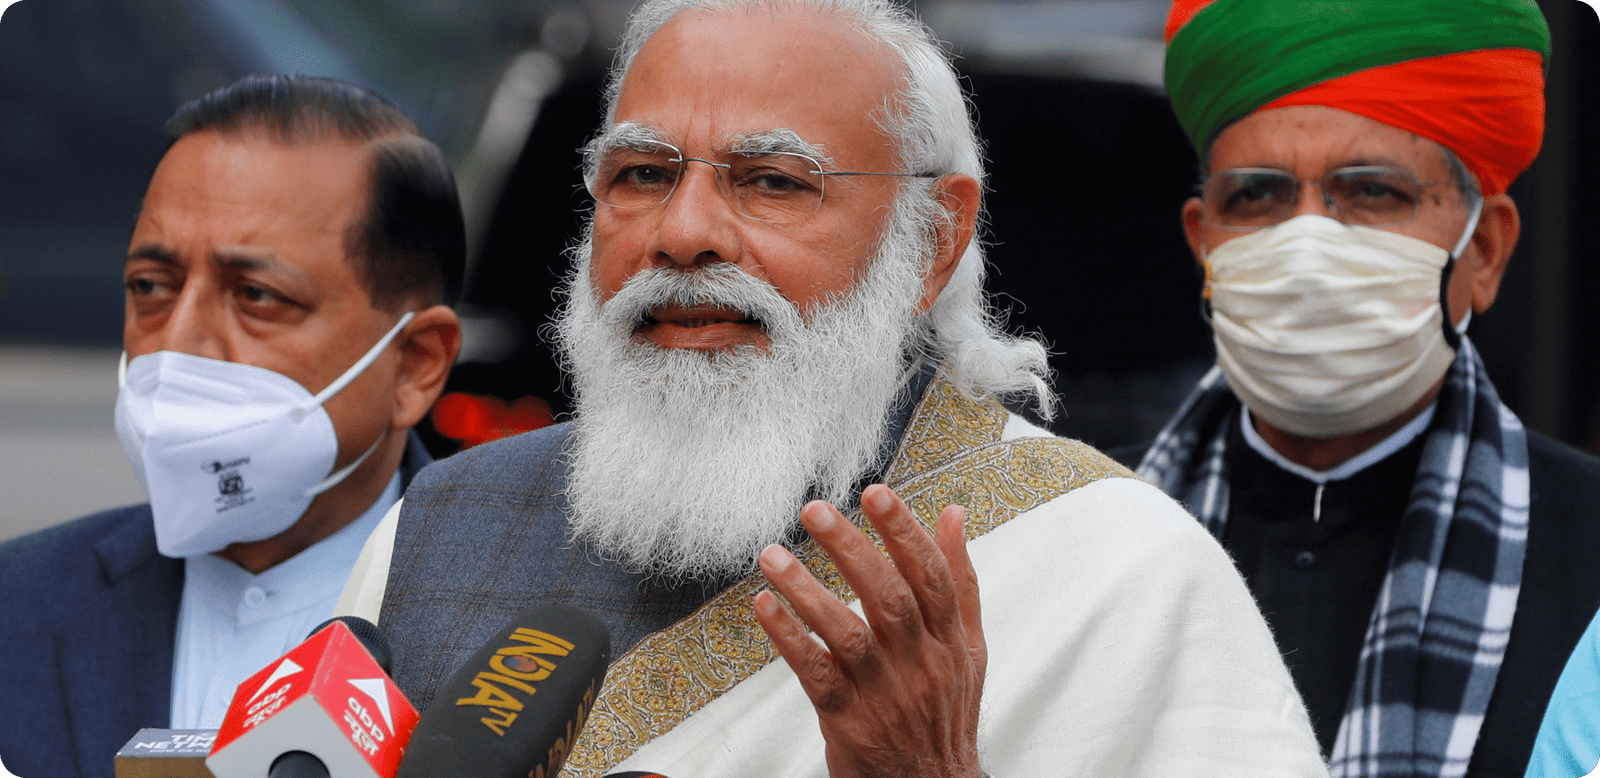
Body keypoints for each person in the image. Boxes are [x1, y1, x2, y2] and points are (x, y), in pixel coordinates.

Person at [337, 1, 1326, 775]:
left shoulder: (1115, 569)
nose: (681, 233)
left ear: (932, 240)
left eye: (772, 180)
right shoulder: (438, 523)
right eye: (640, 174)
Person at [1138, 1, 1600, 775]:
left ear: (1485, 251)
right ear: (1203, 240)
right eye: (1257, 197)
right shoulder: (1085, 532)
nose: (1307, 248)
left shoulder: (1586, 556)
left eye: (1374, 193)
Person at [0, 75, 464, 778]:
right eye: (151, 287)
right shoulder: (17, 605)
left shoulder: (534, 636)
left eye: (256, 296)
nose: (178, 342)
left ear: (414, 366)